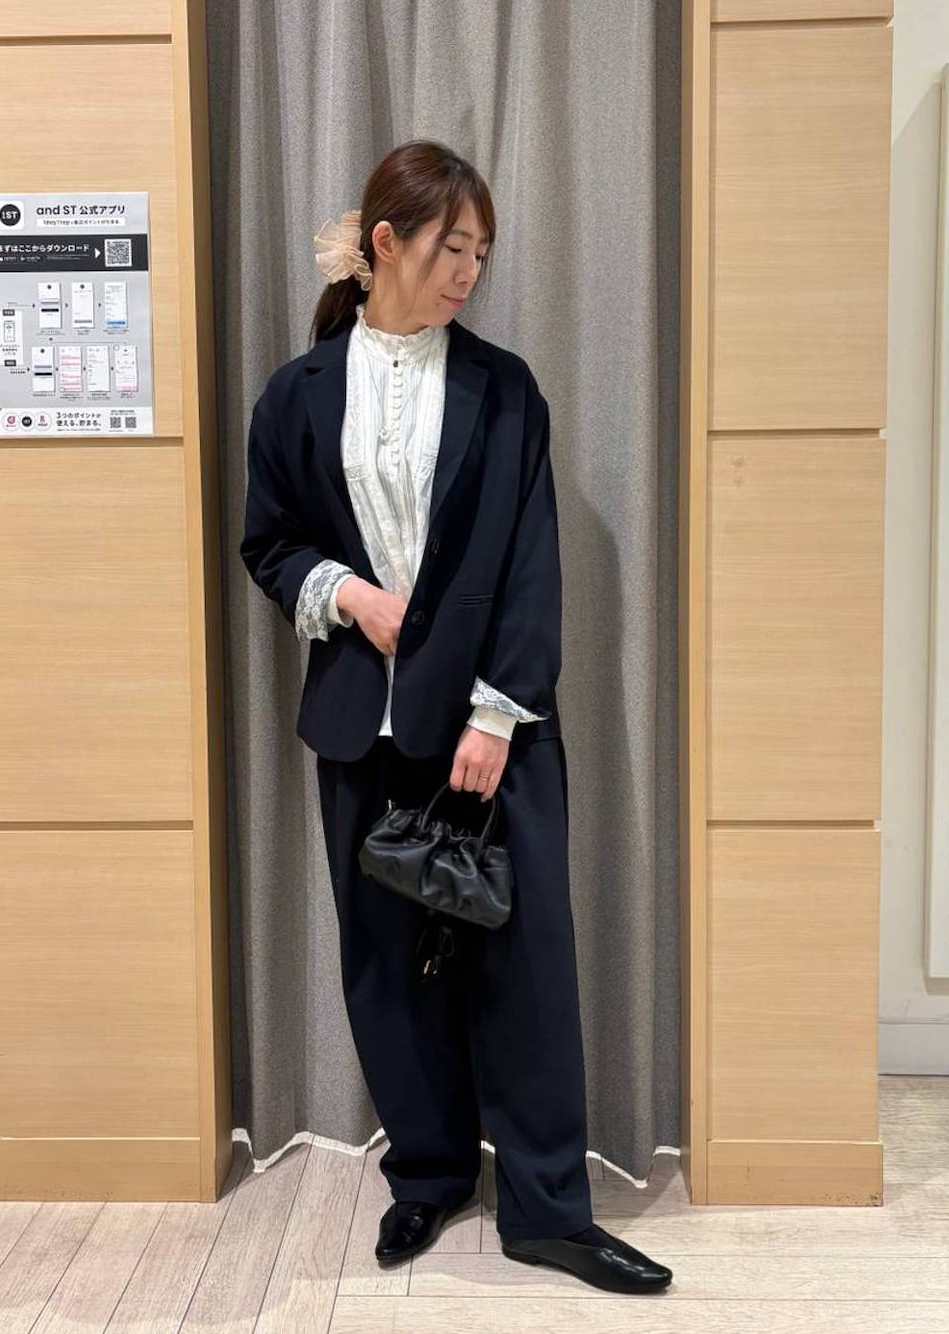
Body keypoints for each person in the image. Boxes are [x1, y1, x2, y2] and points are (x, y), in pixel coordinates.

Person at [240, 139, 672, 1296]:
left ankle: (547, 1209)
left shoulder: (502, 389)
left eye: (481, 251)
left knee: (524, 966)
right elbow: (269, 543)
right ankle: (427, 1173)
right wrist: (347, 594)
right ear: (385, 243)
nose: (469, 271)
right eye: (451, 248)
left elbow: (532, 566)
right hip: (359, 727)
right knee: (387, 968)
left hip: (493, 730)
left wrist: (496, 713)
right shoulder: (296, 394)